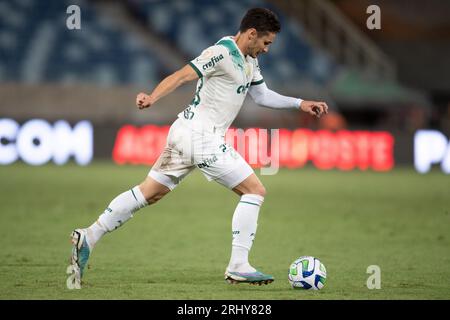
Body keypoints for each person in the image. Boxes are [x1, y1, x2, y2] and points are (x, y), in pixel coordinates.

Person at [66, 7, 328, 289]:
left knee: (149, 193)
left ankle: (89, 235)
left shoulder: (249, 60)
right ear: (252, 34)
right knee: (255, 190)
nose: (266, 49)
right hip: (200, 136)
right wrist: (153, 97)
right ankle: (239, 265)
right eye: (266, 43)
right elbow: (182, 75)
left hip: (186, 134)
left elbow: (262, 95)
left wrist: (298, 103)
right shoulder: (222, 52)